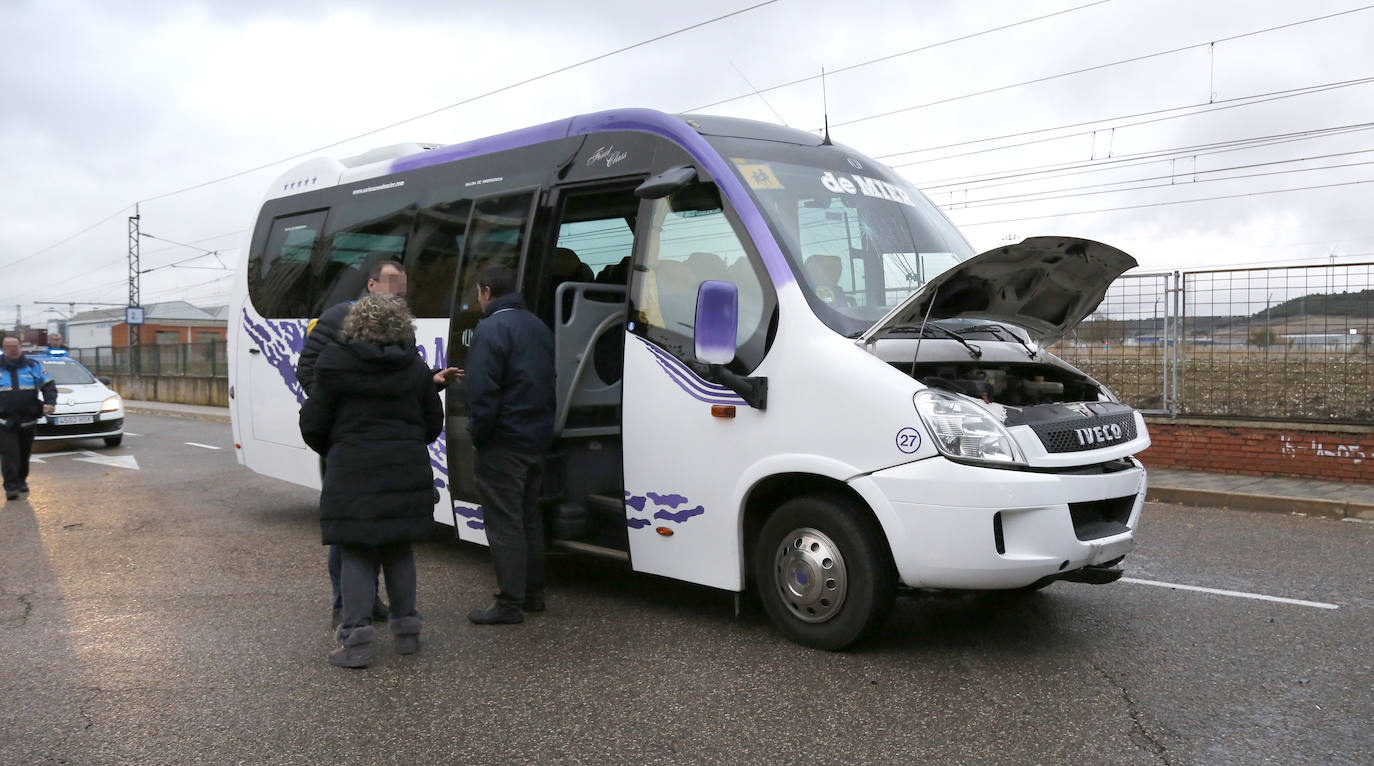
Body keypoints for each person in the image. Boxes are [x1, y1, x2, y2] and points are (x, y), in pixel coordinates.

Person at [295, 257, 461, 626]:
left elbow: (399, 380)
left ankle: (361, 612)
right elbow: (308, 371)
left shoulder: (401, 335)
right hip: (352, 444)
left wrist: (429, 381)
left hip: (359, 450)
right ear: (371, 284)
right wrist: (339, 415)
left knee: (362, 532)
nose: (398, 296)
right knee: (356, 536)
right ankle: (348, 605)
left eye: (402, 291)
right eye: (391, 288)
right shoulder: (336, 319)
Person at [463, 263, 556, 625]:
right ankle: (533, 594)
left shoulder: (490, 328)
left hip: (503, 442)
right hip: (536, 437)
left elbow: (482, 392)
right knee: (529, 517)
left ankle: (509, 604)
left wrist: (479, 434)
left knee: (504, 523)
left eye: (478, 293)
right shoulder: (538, 326)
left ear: (486, 291)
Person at [1, 336, 57, 501]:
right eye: (8, 346)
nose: (12, 349)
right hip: (5, 422)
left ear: (20, 347)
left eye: (15, 345)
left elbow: (49, 386)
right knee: (10, 455)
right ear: (3, 348)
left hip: (28, 419)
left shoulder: (33, 366)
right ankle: (11, 487)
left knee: (24, 454)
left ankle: (21, 480)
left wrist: (50, 403)